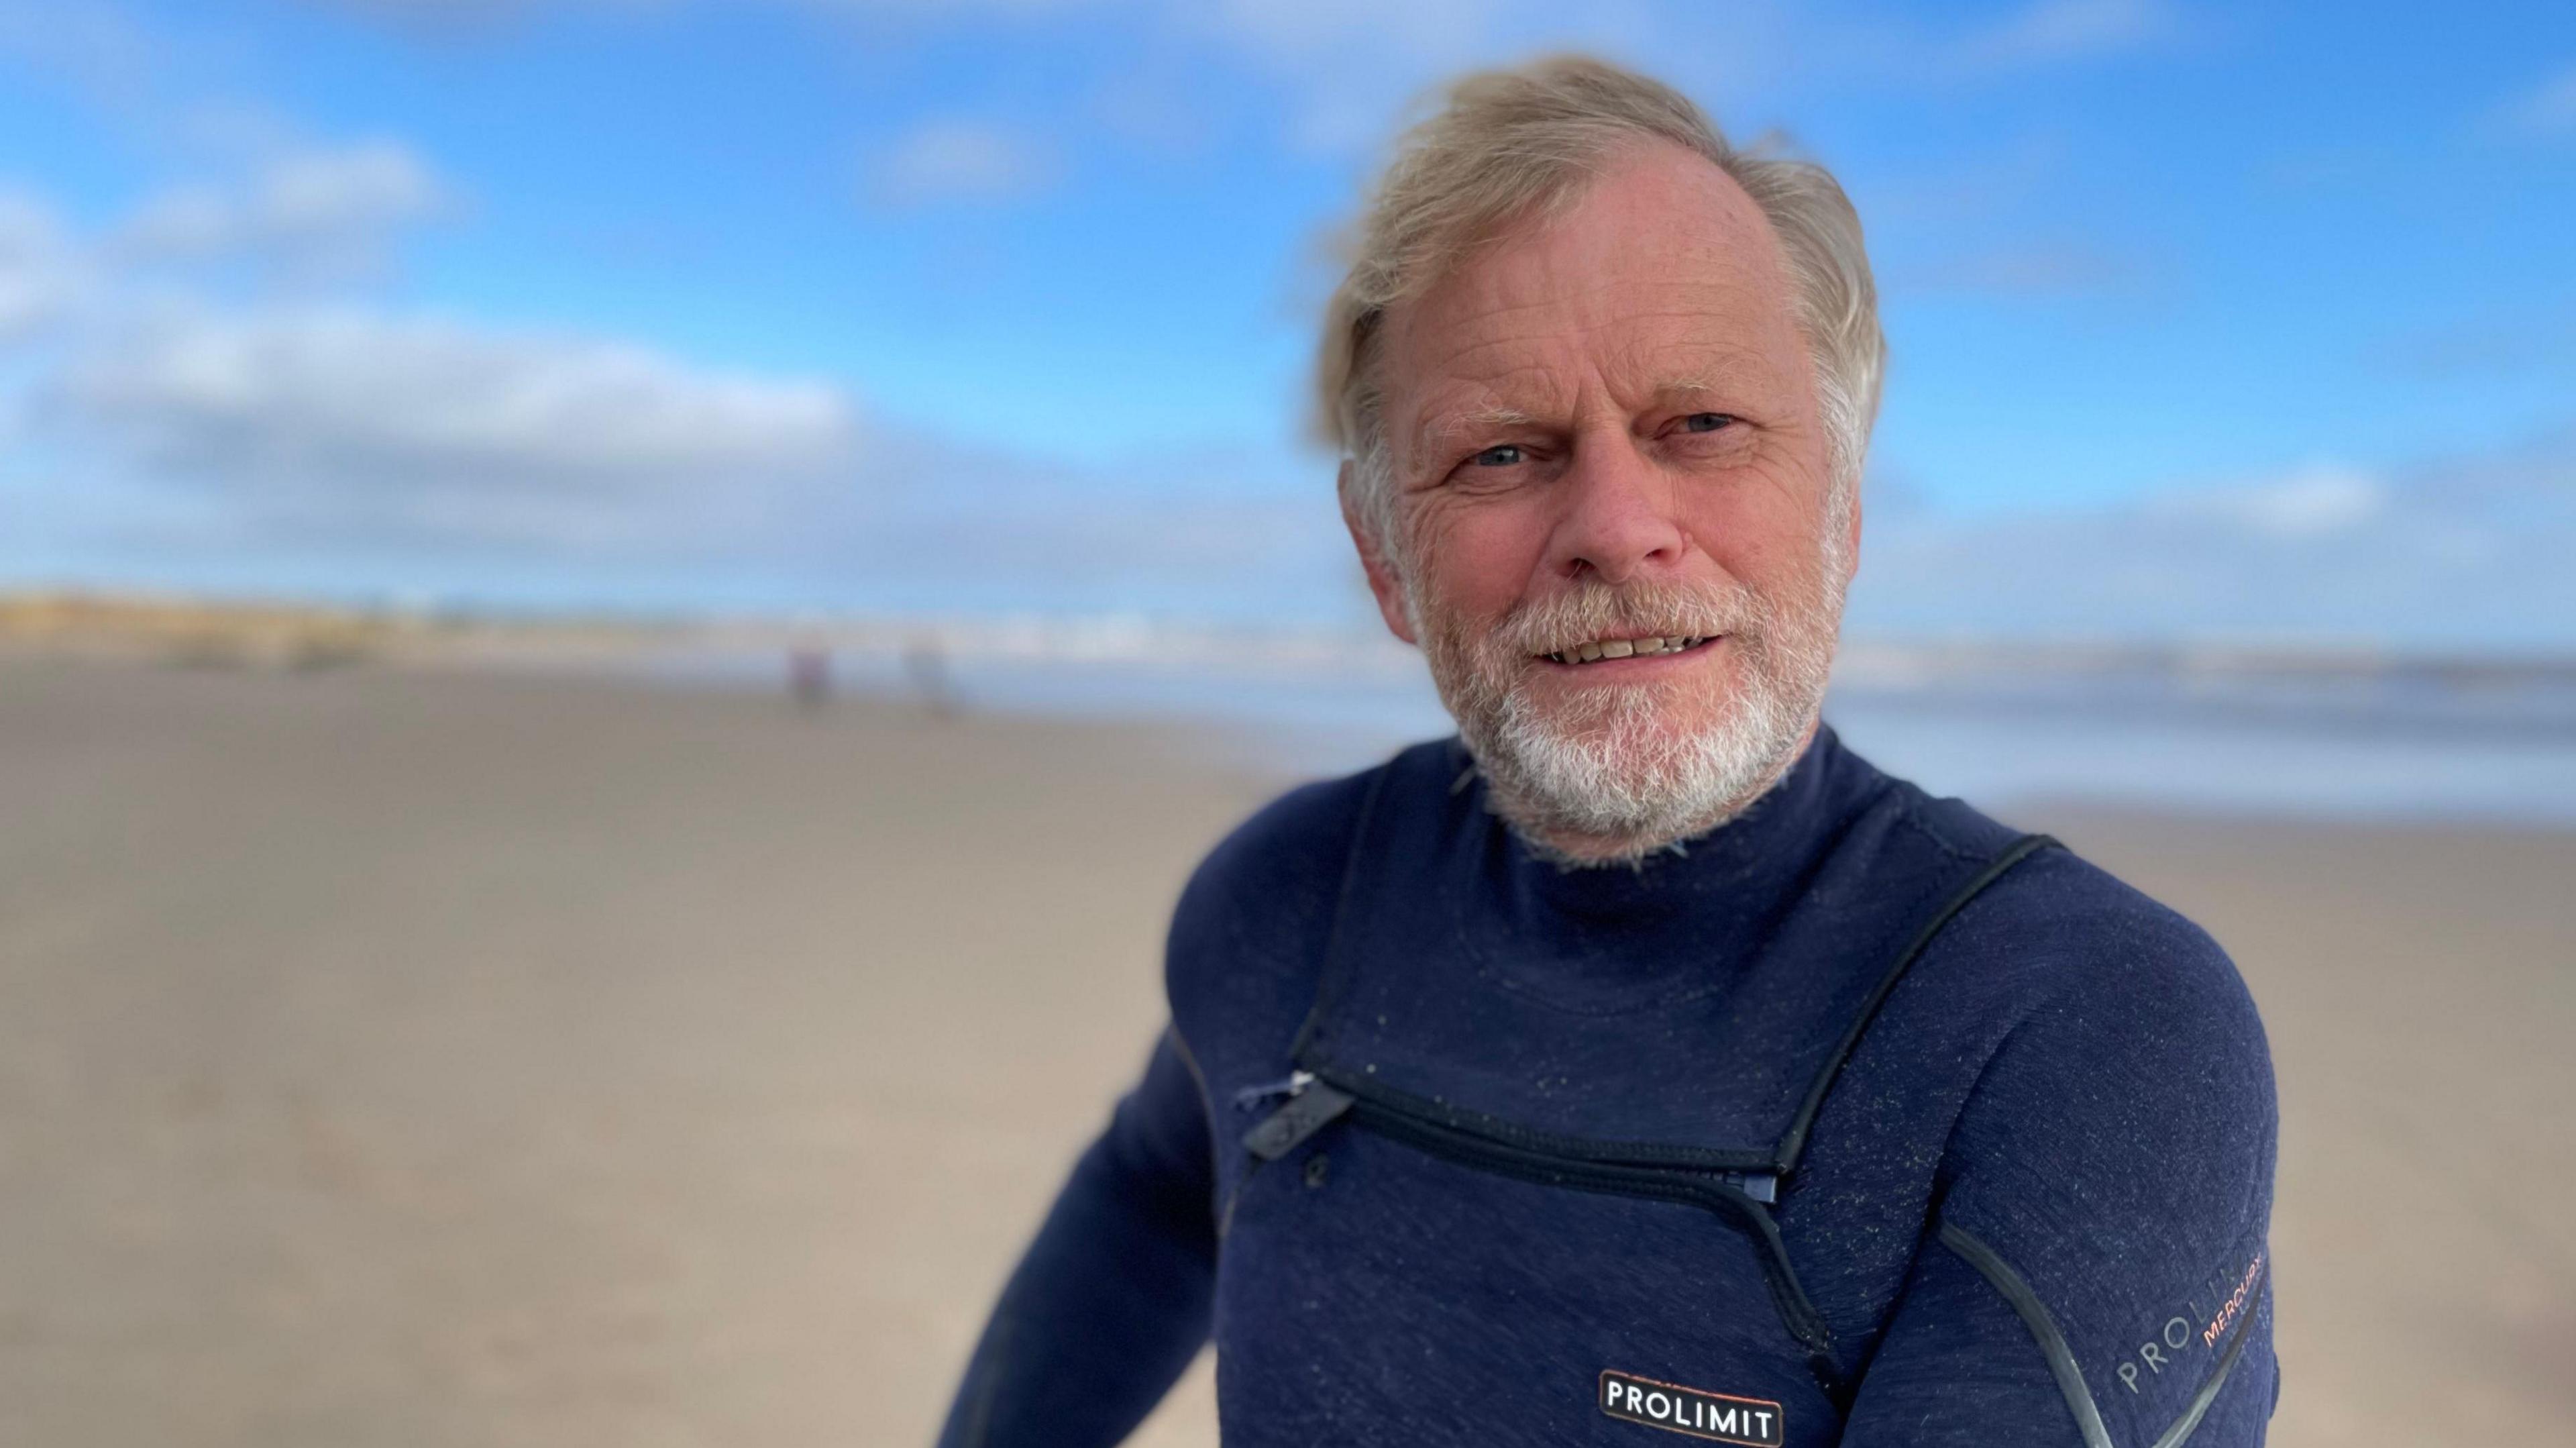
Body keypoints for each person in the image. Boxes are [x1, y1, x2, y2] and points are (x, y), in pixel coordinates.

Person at [935, 56, 2275, 1448]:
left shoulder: (2076, 1031)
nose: (1618, 523)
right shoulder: (1285, 905)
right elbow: (1152, 1199)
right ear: (1383, 558)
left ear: (1844, 509)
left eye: (1703, 424)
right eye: (1503, 453)